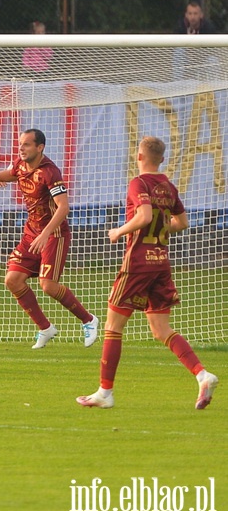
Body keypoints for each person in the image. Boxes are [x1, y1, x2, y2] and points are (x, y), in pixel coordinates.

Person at [77, 136, 218, 410]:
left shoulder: (138, 183)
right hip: (161, 262)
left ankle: (105, 392)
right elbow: (182, 222)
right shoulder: (168, 185)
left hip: (139, 262)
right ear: (161, 159)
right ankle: (202, 374)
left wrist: (118, 231)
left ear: (139, 156)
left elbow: (142, 216)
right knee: (160, 329)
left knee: (112, 327)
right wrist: (162, 228)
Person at [0, 129, 99, 349]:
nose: (21, 148)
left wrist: (46, 233)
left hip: (54, 234)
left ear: (40, 148)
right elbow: (11, 174)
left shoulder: (50, 172)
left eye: (27, 144)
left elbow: (64, 207)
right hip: (32, 232)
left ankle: (89, 320)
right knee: (12, 280)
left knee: (47, 285)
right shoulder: (20, 164)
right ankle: (45, 328)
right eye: (20, 144)